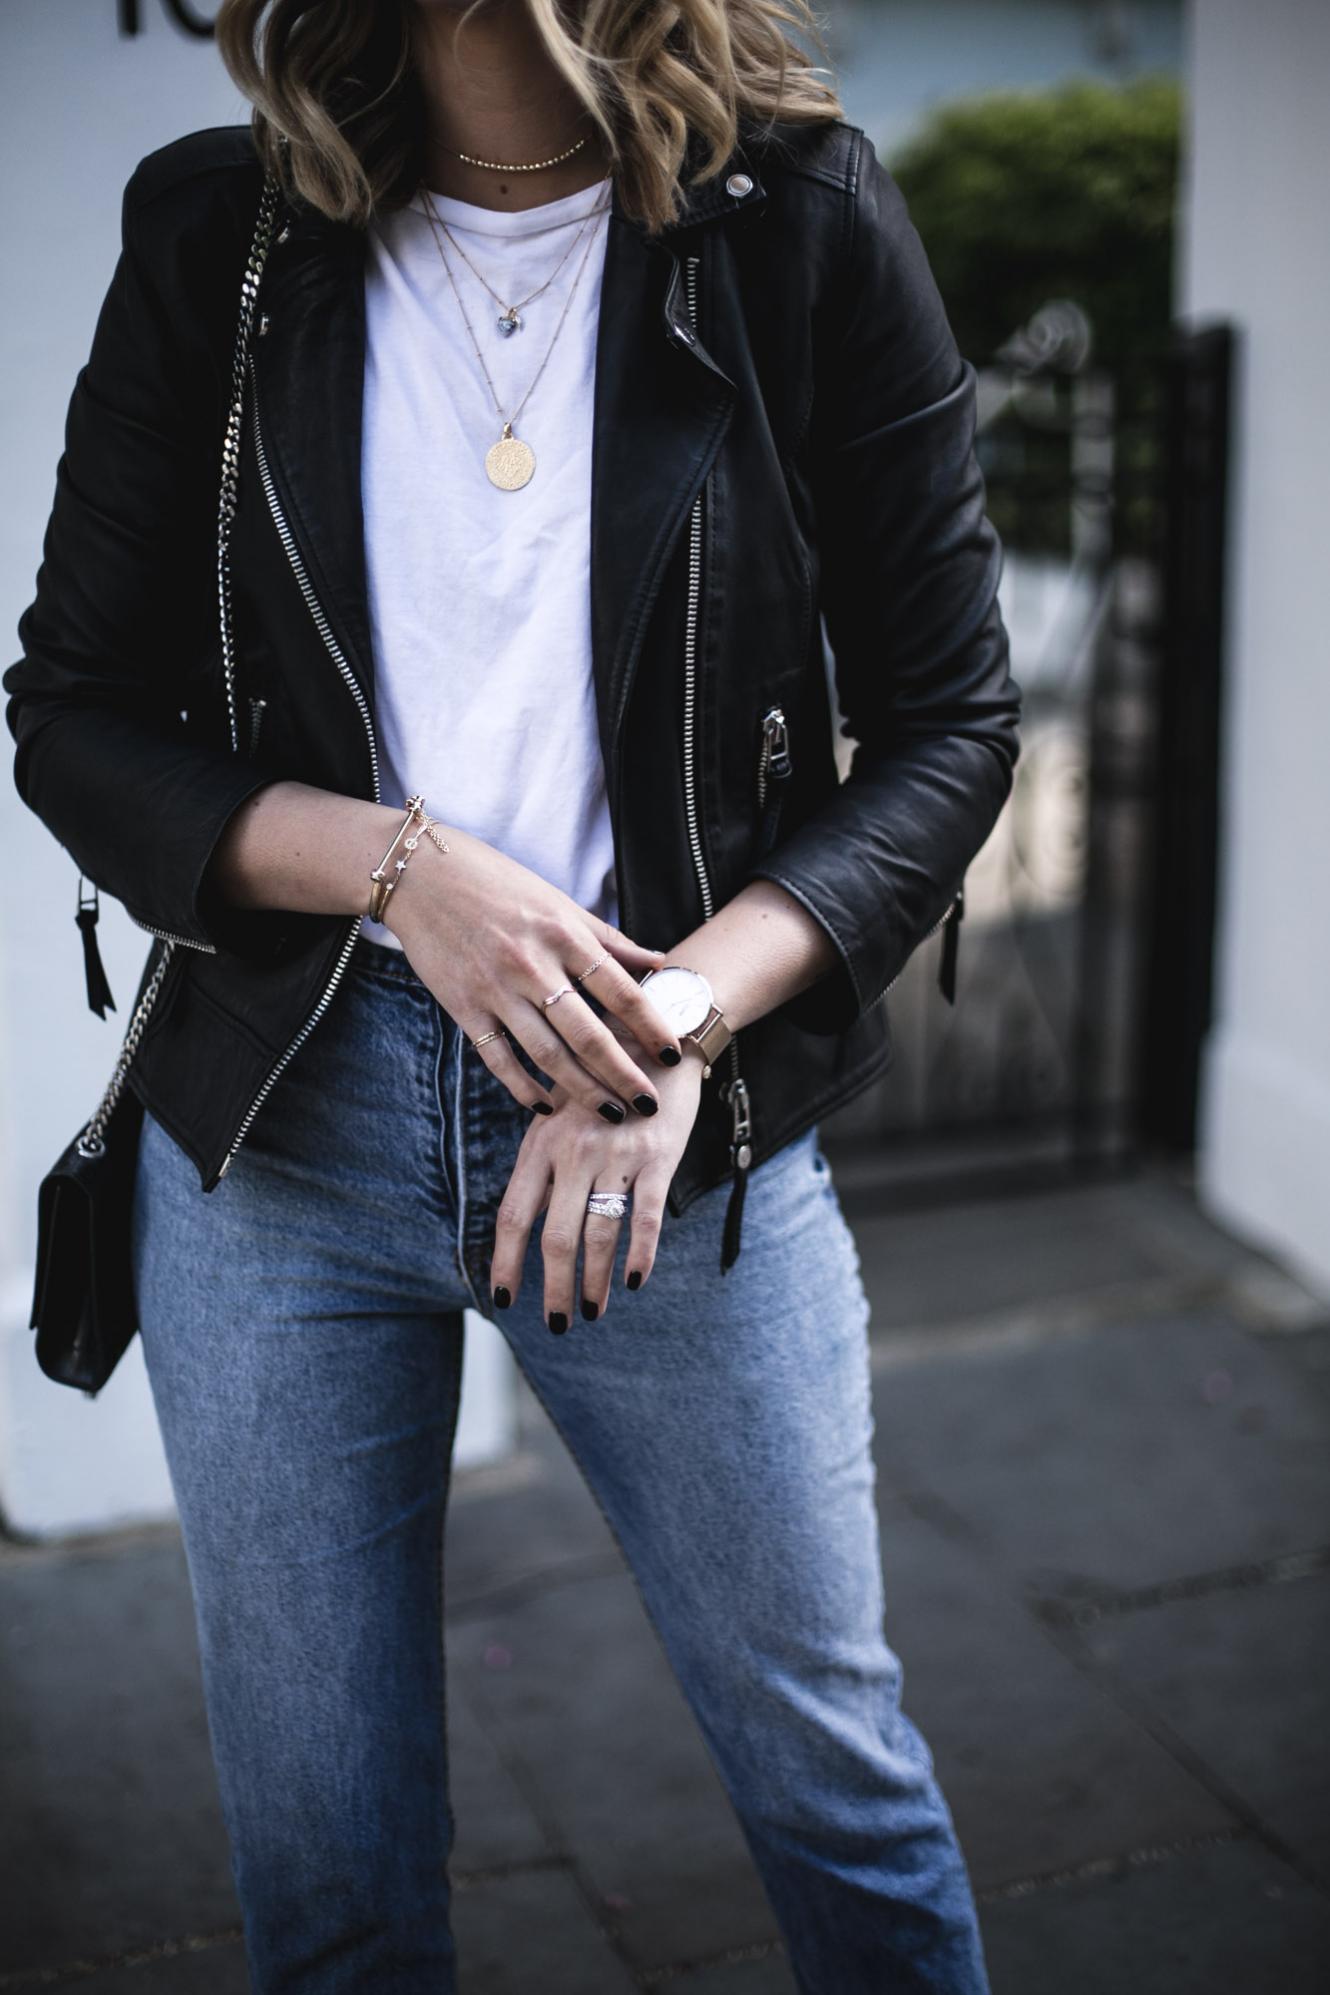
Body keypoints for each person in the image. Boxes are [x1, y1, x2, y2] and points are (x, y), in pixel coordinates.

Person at [4, 0, 1021, 1987]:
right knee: (327, 1866)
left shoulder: (795, 218)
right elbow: (74, 715)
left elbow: (946, 722)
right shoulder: (220, 229)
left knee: (837, 1791)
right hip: (284, 1140)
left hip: (665, 1126)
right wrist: (410, 869)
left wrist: (675, 1020)